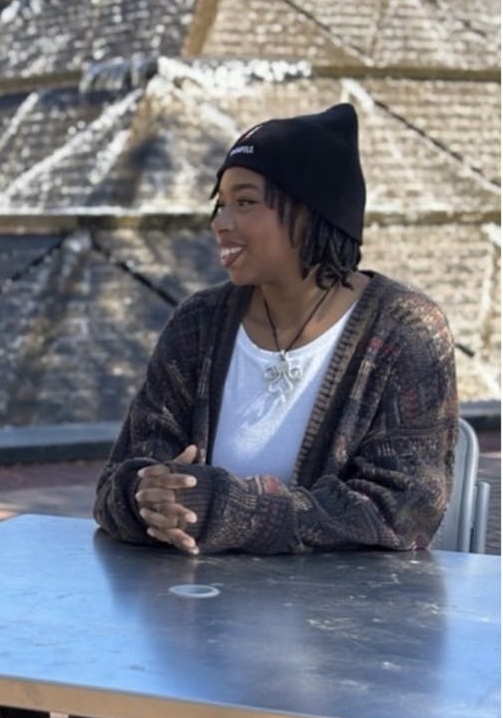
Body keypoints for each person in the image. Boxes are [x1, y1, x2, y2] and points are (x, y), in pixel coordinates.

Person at [93, 102, 457, 557]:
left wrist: (232, 510)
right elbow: (120, 480)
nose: (220, 223)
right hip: (195, 614)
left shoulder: (405, 330)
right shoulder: (199, 323)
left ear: (313, 211)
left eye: (245, 202)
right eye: (220, 204)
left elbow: (401, 512)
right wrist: (146, 498)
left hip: (345, 622)